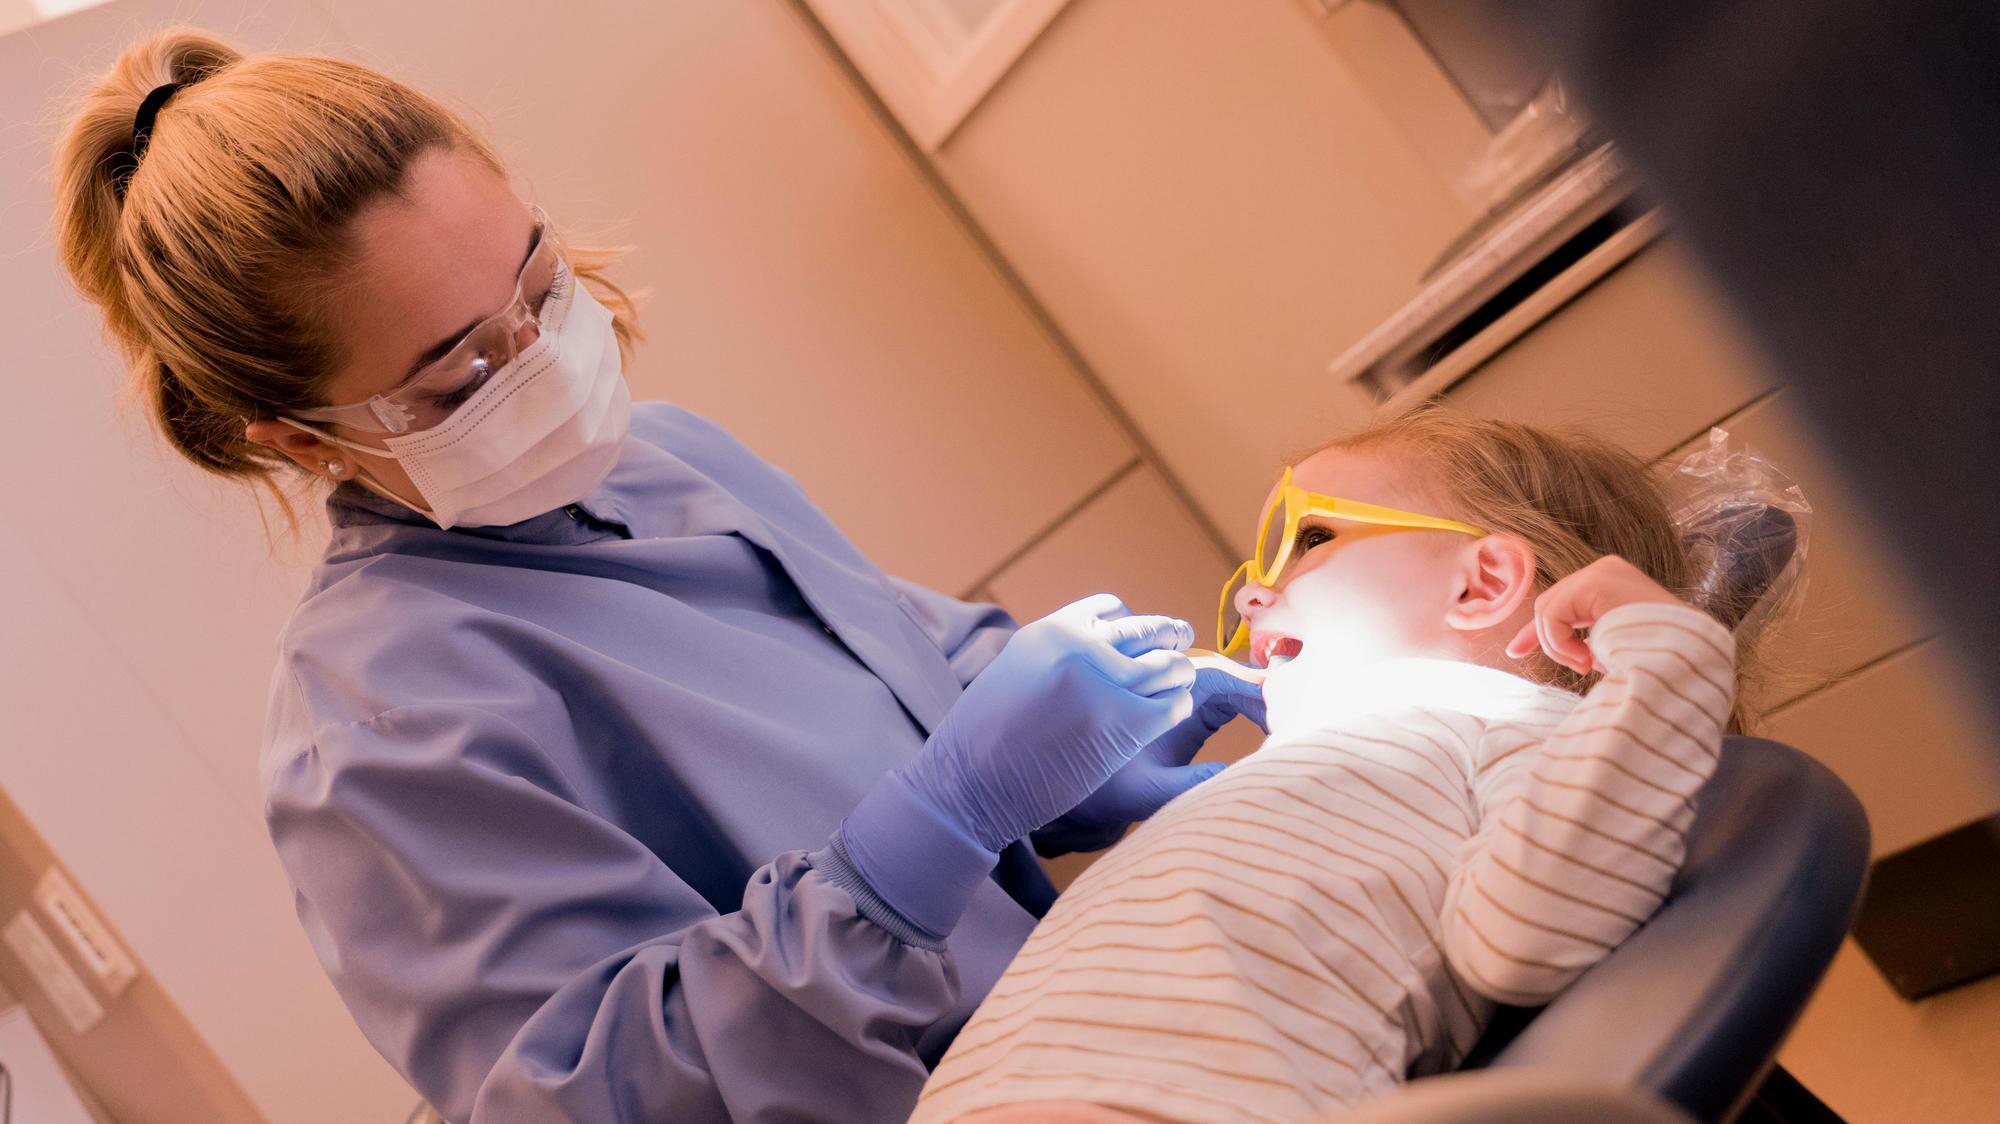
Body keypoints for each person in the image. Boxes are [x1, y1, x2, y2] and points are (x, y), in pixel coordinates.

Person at [50, 30, 1262, 1123]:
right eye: (461, 375)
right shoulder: (374, 726)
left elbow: (907, 669)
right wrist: (917, 842)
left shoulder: (672, 457)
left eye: (538, 285)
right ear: (299, 435)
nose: (546, 364)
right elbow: (601, 1095)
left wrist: (1080, 749)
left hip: (1096, 1046)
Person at [912, 411, 1759, 1123]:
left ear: (1484, 583)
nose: (1249, 597)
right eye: (1253, 570)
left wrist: (1670, 666)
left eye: (1309, 539)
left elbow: (1535, 936)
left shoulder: (1507, 723)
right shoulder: (1334, 760)